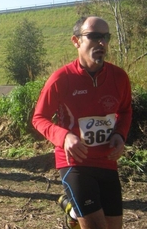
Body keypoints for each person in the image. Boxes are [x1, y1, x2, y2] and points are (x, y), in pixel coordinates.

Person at [32, 16, 132, 229]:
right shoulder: (61, 79)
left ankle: (73, 209)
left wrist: (119, 134)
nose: (102, 43)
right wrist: (64, 137)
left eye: (106, 37)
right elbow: (39, 118)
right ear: (76, 41)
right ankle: (76, 209)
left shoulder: (119, 77)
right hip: (74, 163)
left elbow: (124, 110)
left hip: (107, 161)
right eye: (95, 37)